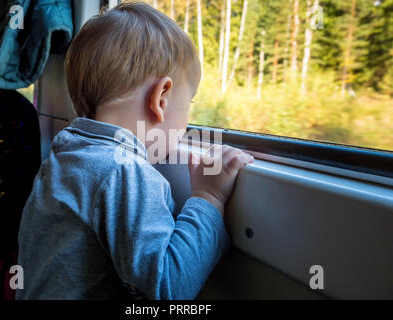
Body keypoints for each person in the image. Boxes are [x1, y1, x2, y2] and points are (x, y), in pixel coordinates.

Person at [16, 2, 254, 300]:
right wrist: (209, 198)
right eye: (188, 106)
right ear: (161, 98)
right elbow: (168, 289)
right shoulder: (124, 171)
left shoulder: (66, 153)